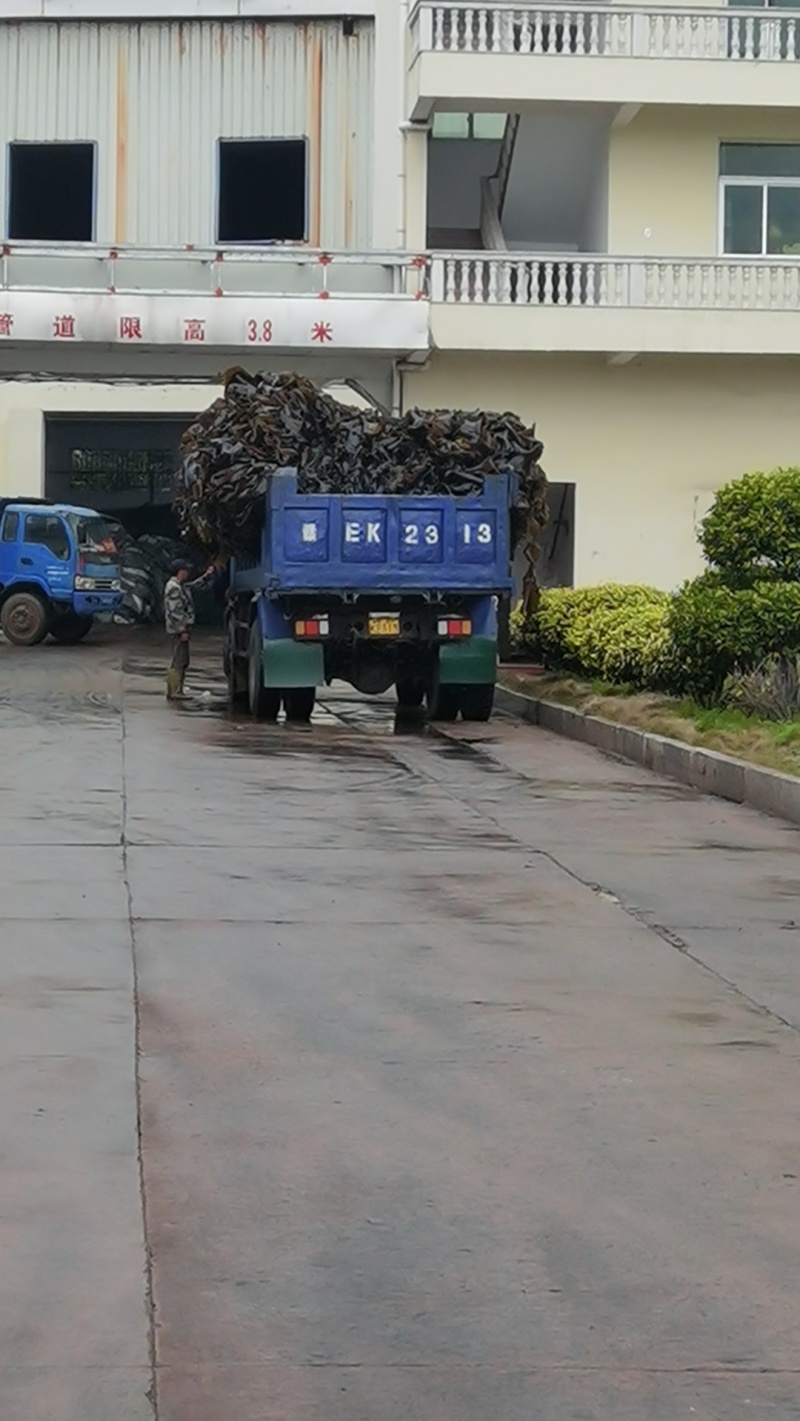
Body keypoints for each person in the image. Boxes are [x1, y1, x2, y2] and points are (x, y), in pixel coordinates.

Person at [164, 559, 215, 701]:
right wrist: (182, 630)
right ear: (181, 572)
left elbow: (193, 586)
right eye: (186, 570)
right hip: (177, 630)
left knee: (183, 660)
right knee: (178, 660)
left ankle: (177, 690)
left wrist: (206, 576)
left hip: (180, 629)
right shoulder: (173, 587)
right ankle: (174, 692)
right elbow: (175, 611)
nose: (188, 573)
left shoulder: (180, 586)